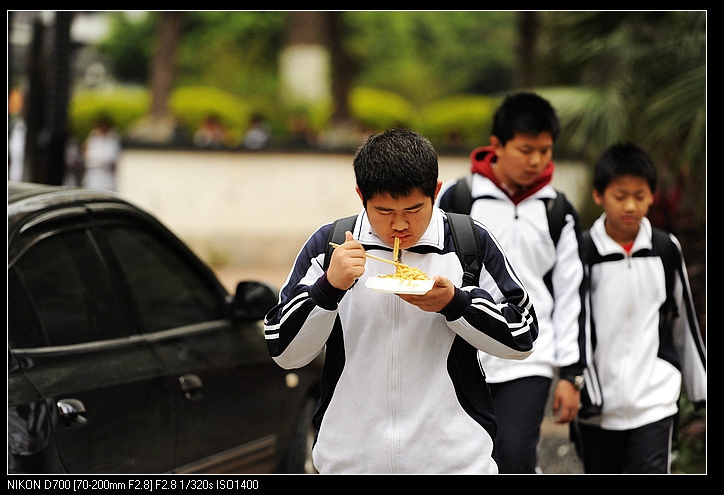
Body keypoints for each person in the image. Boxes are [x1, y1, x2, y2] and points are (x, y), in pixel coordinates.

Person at [264, 128, 539, 474]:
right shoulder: (329, 246)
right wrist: (328, 288)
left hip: (454, 464)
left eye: (413, 209)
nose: (399, 225)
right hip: (351, 464)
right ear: (360, 195)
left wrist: (456, 304)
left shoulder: (469, 243)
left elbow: (523, 337)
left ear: (436, 192)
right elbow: (284, 352)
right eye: (383, 210)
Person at [437, 92, 589, 473]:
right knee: (468, 458)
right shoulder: (457, 198)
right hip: (464, 349)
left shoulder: (558, 212)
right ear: (496, 147)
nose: (537, 161)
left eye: (545, 150)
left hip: (530, 356)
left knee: (515, 454)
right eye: (525, 149)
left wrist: (570, 374)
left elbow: (571, 295)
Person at [575, 142, 706, 473]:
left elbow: (683, 323)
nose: (630, 206)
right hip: (597, 405)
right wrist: (571, 382)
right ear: (599, 195)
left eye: (640, 195)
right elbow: (570, 323)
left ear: (652, 196)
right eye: (620, 196)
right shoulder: (583, 251)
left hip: (654, 400)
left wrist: (700, 392)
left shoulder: (665, 249)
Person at [82, 115, 121, 191]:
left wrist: (94, 157)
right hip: (93, 178)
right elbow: (88, 157)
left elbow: (110, 157)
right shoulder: (93, 137)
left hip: (107, 178)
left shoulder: (113, 139)